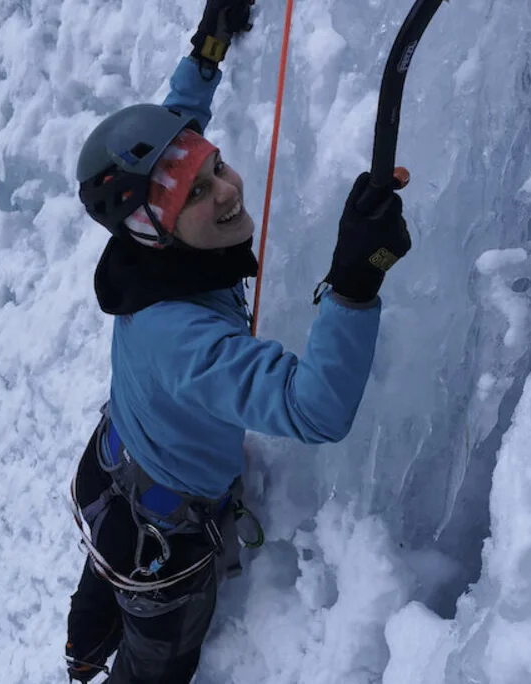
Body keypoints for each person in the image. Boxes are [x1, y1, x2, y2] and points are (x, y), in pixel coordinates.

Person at [64, 0, 413, 681]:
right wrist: (353, 283)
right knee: (156, 662)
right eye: (197, 194)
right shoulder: (180, 339)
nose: (225, 190)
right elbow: (314, 409)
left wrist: (208, 49)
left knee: (103, 572)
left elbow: (179, 124)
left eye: (217, 167)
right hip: (161, 544)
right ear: (154, 229)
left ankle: (79, 656)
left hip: (113, 472)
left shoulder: (145, 241)